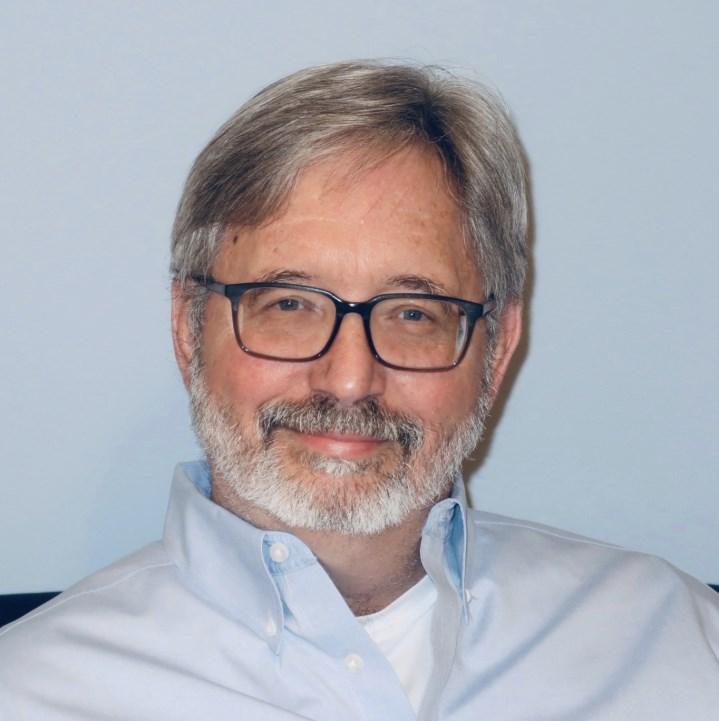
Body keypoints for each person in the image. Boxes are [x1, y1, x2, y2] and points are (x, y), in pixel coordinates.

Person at [1, 60, 717, 720]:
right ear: (189, 330)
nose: (348, 379)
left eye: (413, 314)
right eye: (289, 304)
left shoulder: (677, 642)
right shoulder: (30, 691)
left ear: (497, 350)